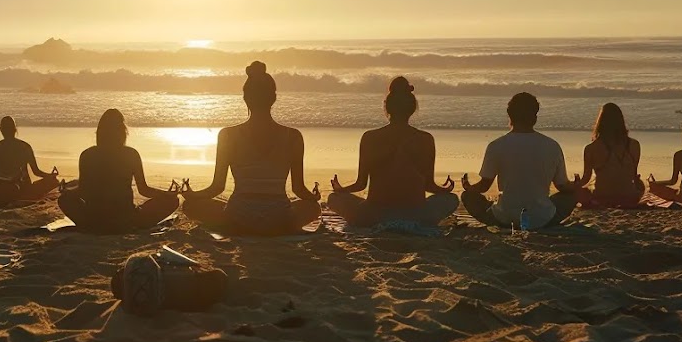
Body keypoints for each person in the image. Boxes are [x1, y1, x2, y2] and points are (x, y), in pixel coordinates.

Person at [183, 61, 322, 235]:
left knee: (190, 206)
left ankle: (234, 226)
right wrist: (314, 197)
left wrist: (192, 195)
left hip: (239, 216)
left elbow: (217, 187)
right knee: (312, 207)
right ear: (274, 98)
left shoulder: (228, 135)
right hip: (278, 217)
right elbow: (298, 190)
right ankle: (278, 227)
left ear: (245, 98)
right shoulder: (293, 136)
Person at [326, 77, 458, 227]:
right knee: (451, 199)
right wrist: (445, 189)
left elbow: (361, 184)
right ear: (412, 108)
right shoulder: (425, 139)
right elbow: (429, 186)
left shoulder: (370, 137)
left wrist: (341, 189)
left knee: (334, 198)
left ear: (387, 107)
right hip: (416, 215)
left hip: (374, 214)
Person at [461, 92, 581, 230]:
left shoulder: (496, 145)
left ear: (509, 114)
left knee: (467, 196)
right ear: (535, 117)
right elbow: (562, 186)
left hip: (505, 218)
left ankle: (505, 216)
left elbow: (484, 186)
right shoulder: (552, 145)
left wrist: (469, 187)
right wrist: (576, 185)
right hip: (542, 218)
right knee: (571, 195)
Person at [58, 109, 182, 233]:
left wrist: (67, 192)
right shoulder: (131, 154)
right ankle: (133, 224)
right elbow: (144, 190)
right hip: (125, 218)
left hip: (94, 218)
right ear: (123, 131)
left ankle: (89, 225)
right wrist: (165, 194)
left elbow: (83, 191)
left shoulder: (87, 155)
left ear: (99, 132)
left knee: (64, 200)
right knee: (172, 201)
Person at [578, 103, 644, 208]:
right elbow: (633, 176)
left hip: (601, 196)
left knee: (581, 191)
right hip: (628, 197)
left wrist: (572, 185)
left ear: (600, 122)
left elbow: (586, 179)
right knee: (640, 185)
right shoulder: (634, 145)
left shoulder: (591, 148)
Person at [0, 116, 61, 201]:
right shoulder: (25, 146)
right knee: (54, 182)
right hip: (25, 189)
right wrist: (50, 176)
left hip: (3, 190)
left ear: (1, 130)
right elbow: (36, 171)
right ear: (15, 130)